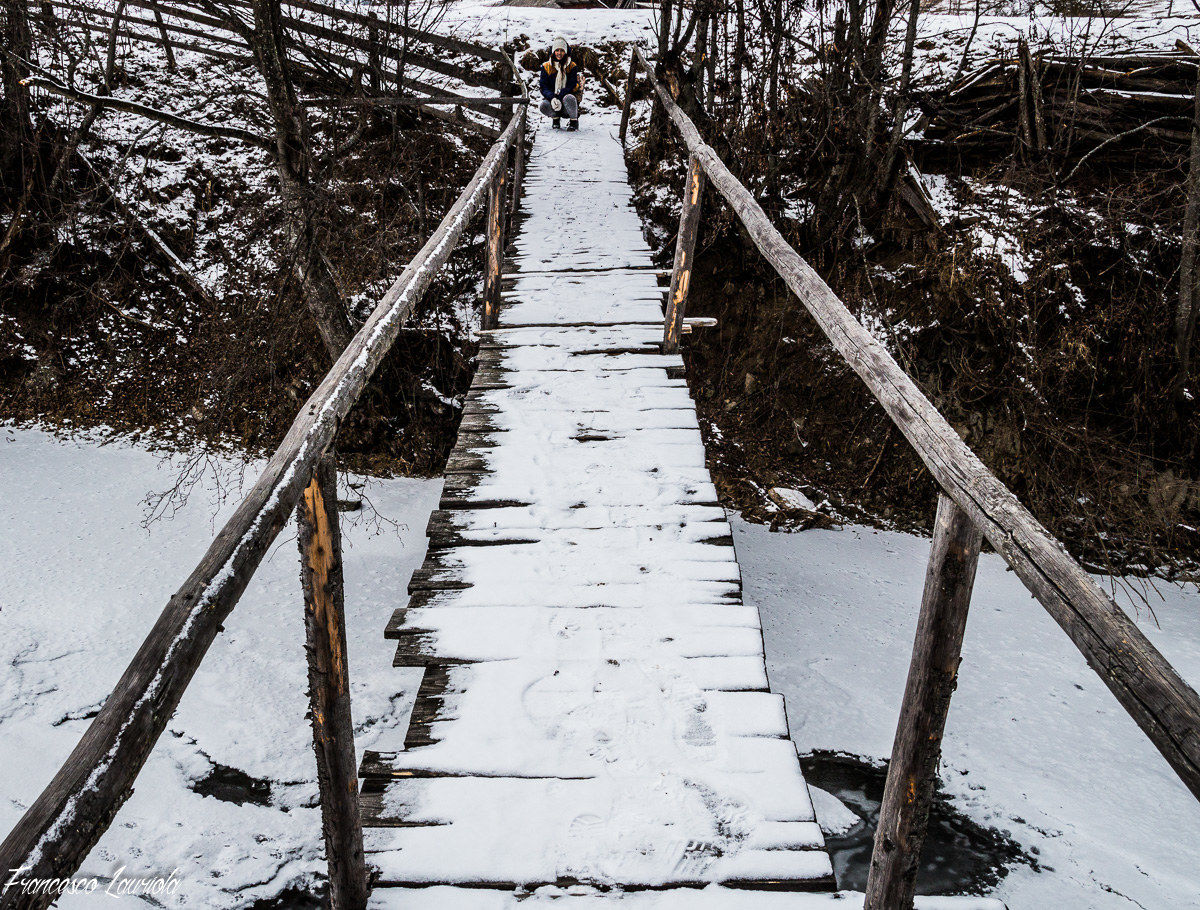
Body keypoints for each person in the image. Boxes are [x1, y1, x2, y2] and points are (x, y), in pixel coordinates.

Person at [539, 36, 582, 131]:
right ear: (553, 51)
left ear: (565, 52)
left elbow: (572, 85)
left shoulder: (572, 66)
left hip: (566, 97)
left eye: (562, 50)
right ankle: (555, 118)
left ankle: (573, 121)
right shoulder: (546, 66)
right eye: (557, 50)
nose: (559, 53)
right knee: (543, 105)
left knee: (569, 98)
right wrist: (552, 97)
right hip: (553, 99)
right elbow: (543, 86)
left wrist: (560, 95)